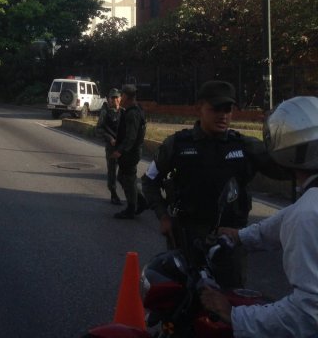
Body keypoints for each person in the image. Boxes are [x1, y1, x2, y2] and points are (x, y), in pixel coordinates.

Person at [141, 80, 282, 287]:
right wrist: (163, 217)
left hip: (229, 240)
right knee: (184, 300)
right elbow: (149, 181)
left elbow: (286, 170)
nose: (223, 115)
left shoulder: (246, 146)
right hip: (188, 238)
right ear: (199, 108)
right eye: (216, 109)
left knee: (229, 303)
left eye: (228, 109)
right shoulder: (177, 145)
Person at [200, 95, 318, 337]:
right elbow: (288, 217)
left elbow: (308, 314)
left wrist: (234, 315)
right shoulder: (306, 207)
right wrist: (241, 236)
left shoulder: (306, 214)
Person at [112, 84, 148, 219]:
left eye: (122, 95)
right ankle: (140, 201)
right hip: (130, 151)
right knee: (123, 177)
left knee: (128, 178)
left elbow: (131, 137)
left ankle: (132, 208)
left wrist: (120, 151)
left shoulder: (133, 113)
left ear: (126, 97)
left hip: (130, 152)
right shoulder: (132, 109)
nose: (120, 98)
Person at [95, 88, 123, 205]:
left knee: (126, 173)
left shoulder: (124, 111)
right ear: (108, 99)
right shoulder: (105, 111)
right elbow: (98, 129)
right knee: (112, 171)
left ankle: (133, 197)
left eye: (116, 97)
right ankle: (113, 193)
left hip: (124, 146)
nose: (114, 100)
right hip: (112, 146)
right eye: (112, 98)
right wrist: (110, 138)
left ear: (120, 98)